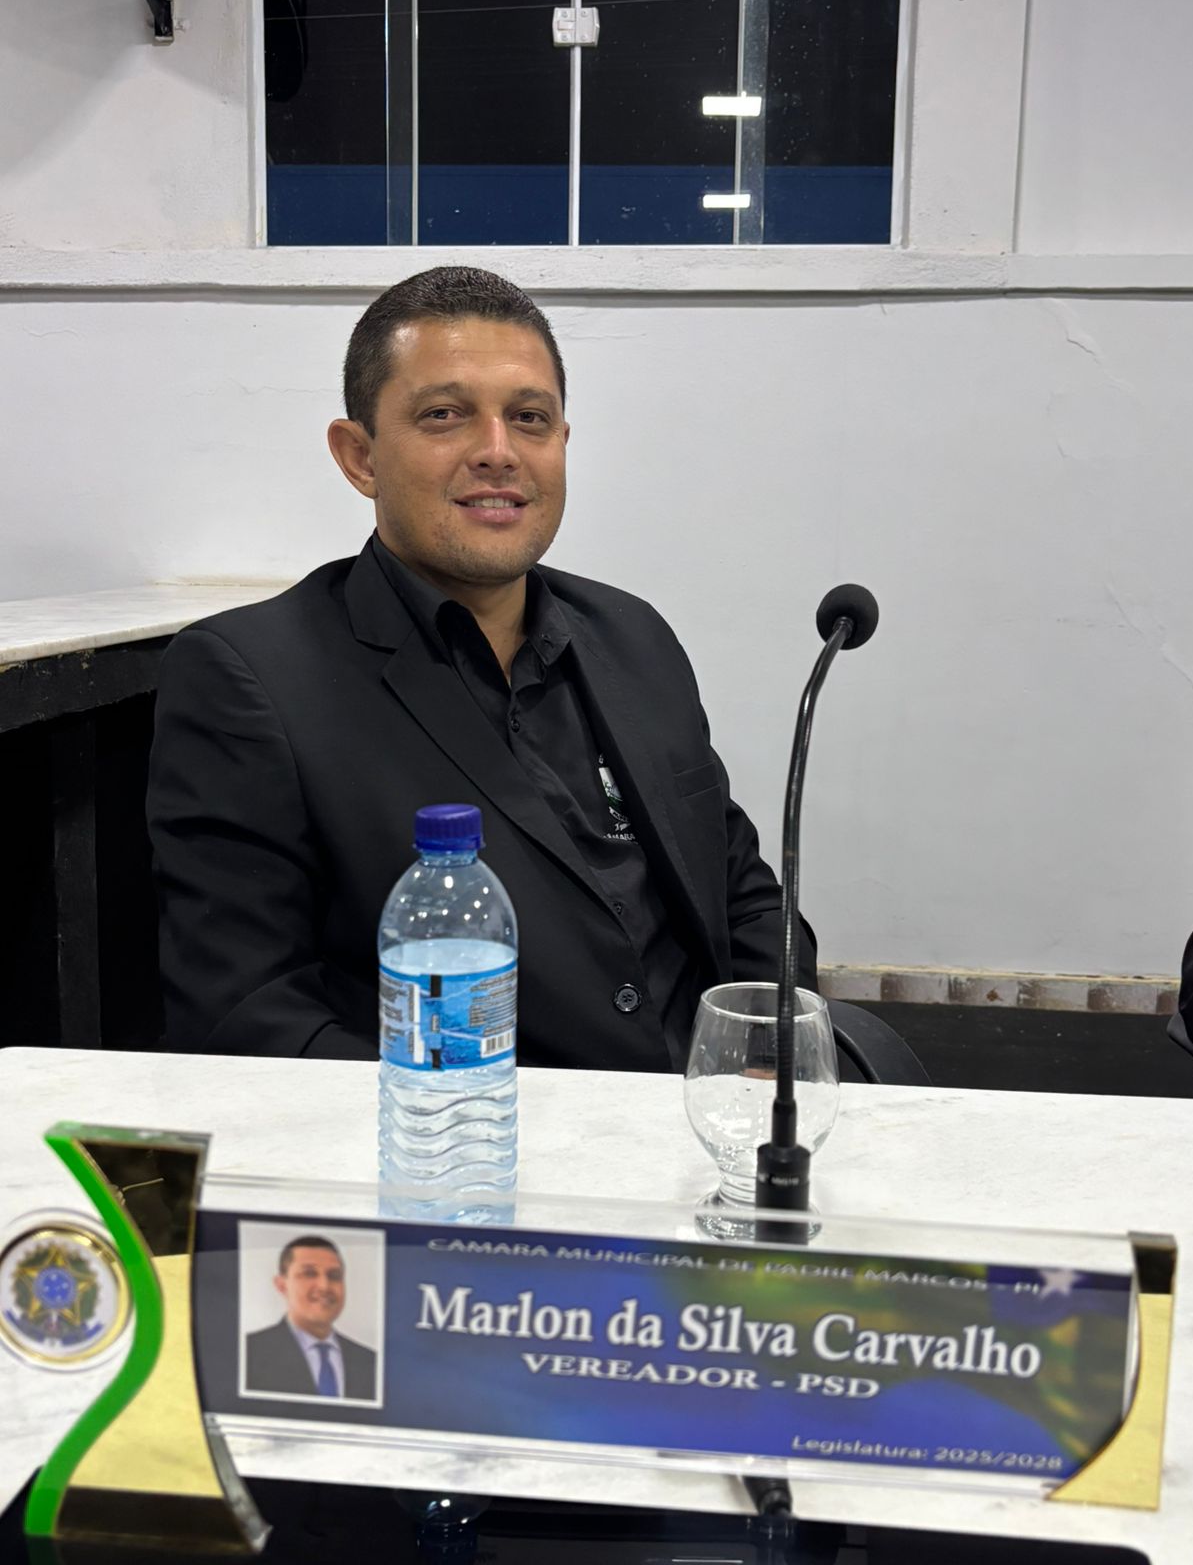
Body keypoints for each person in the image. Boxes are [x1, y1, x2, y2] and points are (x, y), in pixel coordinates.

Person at [148, 266, 816, 1070]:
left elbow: (742, 894)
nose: (498, 453)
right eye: (444, 415)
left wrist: (765, 1056)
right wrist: (476, 1120)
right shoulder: (251, 681)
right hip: (472, 1129)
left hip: (717, 1106)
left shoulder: (634, 635)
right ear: (359, 456)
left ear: (562, 442)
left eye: (530, 418)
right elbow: (247, 1015)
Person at [244, 1235, 377, 1400]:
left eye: (334, 1275)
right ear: (282, 1285)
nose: (324, 1286)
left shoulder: (371, 1362)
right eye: (309, 1273)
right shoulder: (248, 1353)